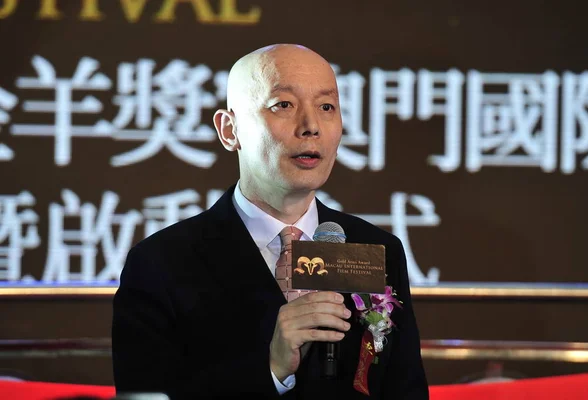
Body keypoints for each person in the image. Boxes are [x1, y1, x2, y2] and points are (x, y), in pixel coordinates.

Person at [111, 43, 429, 399]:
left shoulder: (375, 249)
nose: (311, 127)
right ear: (229, 130)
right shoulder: (161, 263)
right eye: (284, 105)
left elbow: (405, 388)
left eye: (327, 107)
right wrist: (272, 370)